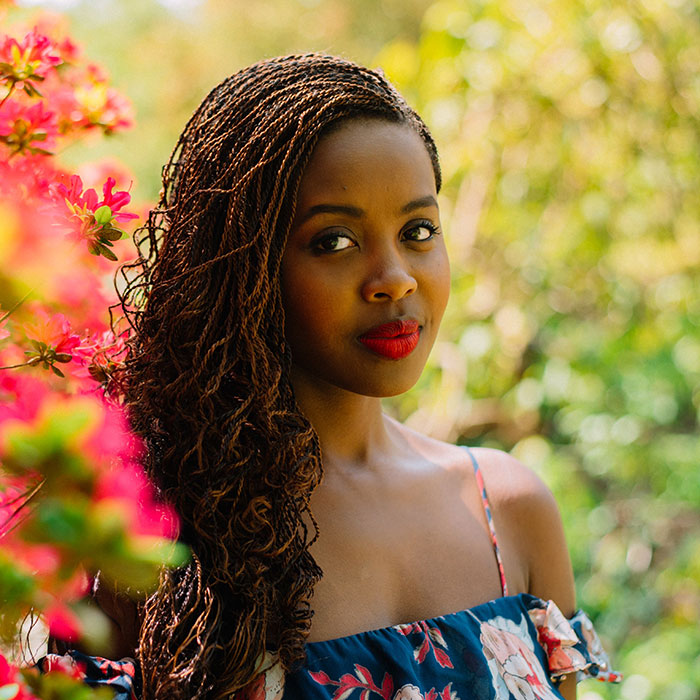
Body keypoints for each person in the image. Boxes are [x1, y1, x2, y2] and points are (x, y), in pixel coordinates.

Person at [42, 53, 620, 700]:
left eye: (418, 230)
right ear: (242, 265)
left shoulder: (510, 512)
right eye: (334, 242)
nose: (396, 276)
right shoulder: (156, 540)